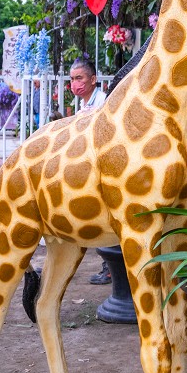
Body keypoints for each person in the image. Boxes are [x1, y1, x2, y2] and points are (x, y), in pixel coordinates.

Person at [69, 57, 110, 283]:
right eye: (72, 79)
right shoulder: (84, 103)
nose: (75, 84)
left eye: (80, 78)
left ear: (93, 79)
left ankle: (110, 266)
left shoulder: (102, 101)